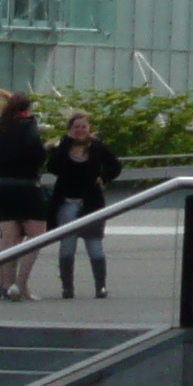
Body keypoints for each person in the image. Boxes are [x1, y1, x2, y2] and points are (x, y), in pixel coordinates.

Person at [0, 96, 50, 300]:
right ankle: (21, 286)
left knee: (9, 238)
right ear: (27, 108)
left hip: (1, 187)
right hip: (26, 186)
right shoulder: (28, 125)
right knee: (36, 236)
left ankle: (6, 285)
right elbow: (38, 153)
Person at [44, 111, 121, 300]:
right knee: (67, 246)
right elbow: (52, 167)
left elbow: (115, 165)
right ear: (70, 129)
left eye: (83, 127)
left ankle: (100, 286)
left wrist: (104, 177)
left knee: (94, 245)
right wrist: (66, 144)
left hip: (91, 204)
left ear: (89, 129)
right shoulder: (61, 146)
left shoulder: (96, 147)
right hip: (67, 203)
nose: (80, 130)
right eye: (76, 127)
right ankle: (67, 287)